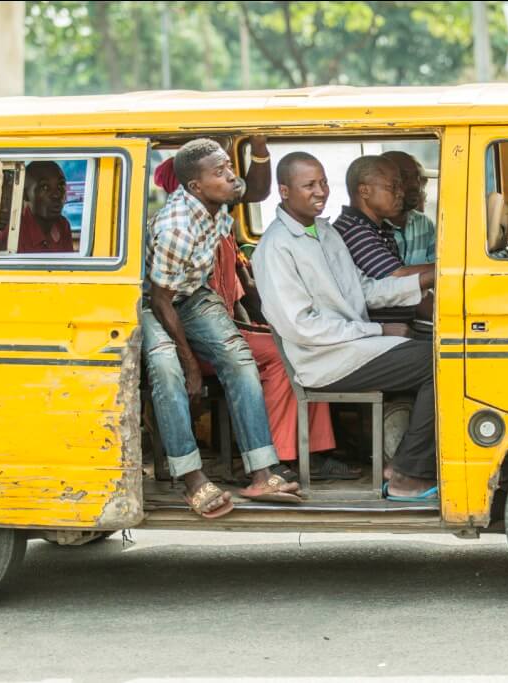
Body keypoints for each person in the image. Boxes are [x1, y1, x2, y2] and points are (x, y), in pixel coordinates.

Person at [152, 155, 351, 481]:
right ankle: (279, 455)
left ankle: (312, 449)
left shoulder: (222, 230)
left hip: (225, 328)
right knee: (281, 353)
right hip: (196, 341)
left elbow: (243, 294)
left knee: (303, 342)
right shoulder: (182, 235)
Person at [253, 152, 439, 501]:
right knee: (440, 365)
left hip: (353, 346)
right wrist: (377, 331)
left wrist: (427, 277)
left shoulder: (324, 232)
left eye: (323, 182)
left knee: (444, 352)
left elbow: (364, 289)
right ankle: (407, 474)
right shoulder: (276, 246)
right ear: (284, 191)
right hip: (324, 360)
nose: (320, 191)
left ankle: (405, 463)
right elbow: (303, 327)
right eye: (309, 185)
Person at [143, 138, 302, 519]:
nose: (231, 176)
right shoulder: (177, 228)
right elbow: (161, 300)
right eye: (221, 171)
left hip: (190, 293)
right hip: (152, 302)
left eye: (229, 167)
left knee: (239, 359)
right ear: (196, 186)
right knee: (166, 369)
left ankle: (261, 473)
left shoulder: (217, 196)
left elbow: (257, 189)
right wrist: (191, 365)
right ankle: (192, 478)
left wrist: (258, 146)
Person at [332, 155, 434, 287]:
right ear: (364, 191)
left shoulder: (379, 228)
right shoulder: (354, 230)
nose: (401, 193)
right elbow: (396, 277)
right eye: (393, 187)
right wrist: (447, 270)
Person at [0, 161, 75, 254]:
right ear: (25, 194)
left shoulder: (63, 225)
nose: (56, 195)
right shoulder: (14, 233)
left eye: (60, 185)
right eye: (45, 187)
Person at [381, 151, 436, 265]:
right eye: (403, 177)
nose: (415, 184)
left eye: (416, 177)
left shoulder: (424, 223)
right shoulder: (371, 227)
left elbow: (437, 267)